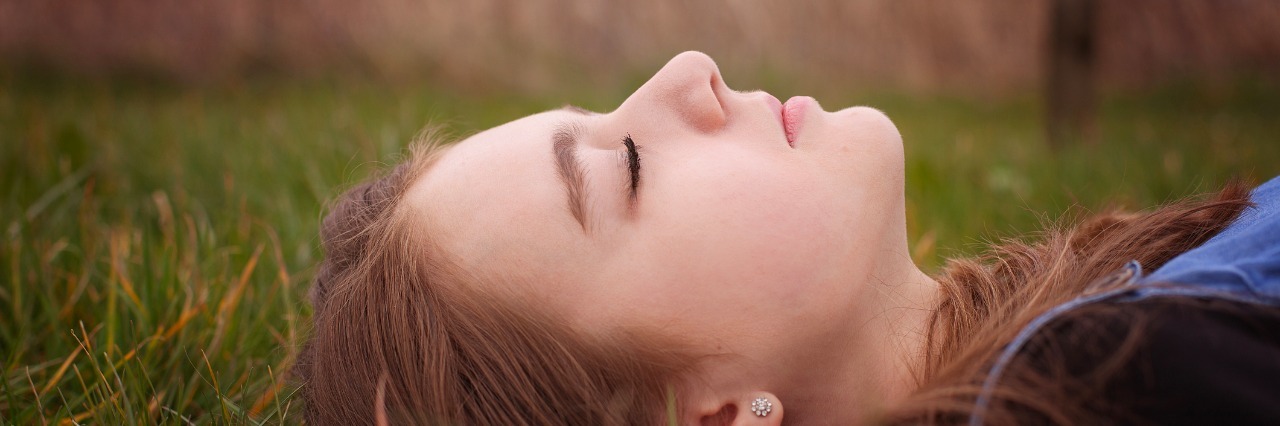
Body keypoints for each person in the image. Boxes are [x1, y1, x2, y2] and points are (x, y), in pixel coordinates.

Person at [293, 51, 1280, 425]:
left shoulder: (1101, 325)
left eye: (600, 109)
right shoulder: (1121, 384)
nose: (688, 70)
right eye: (626, 165)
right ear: (717, 419)